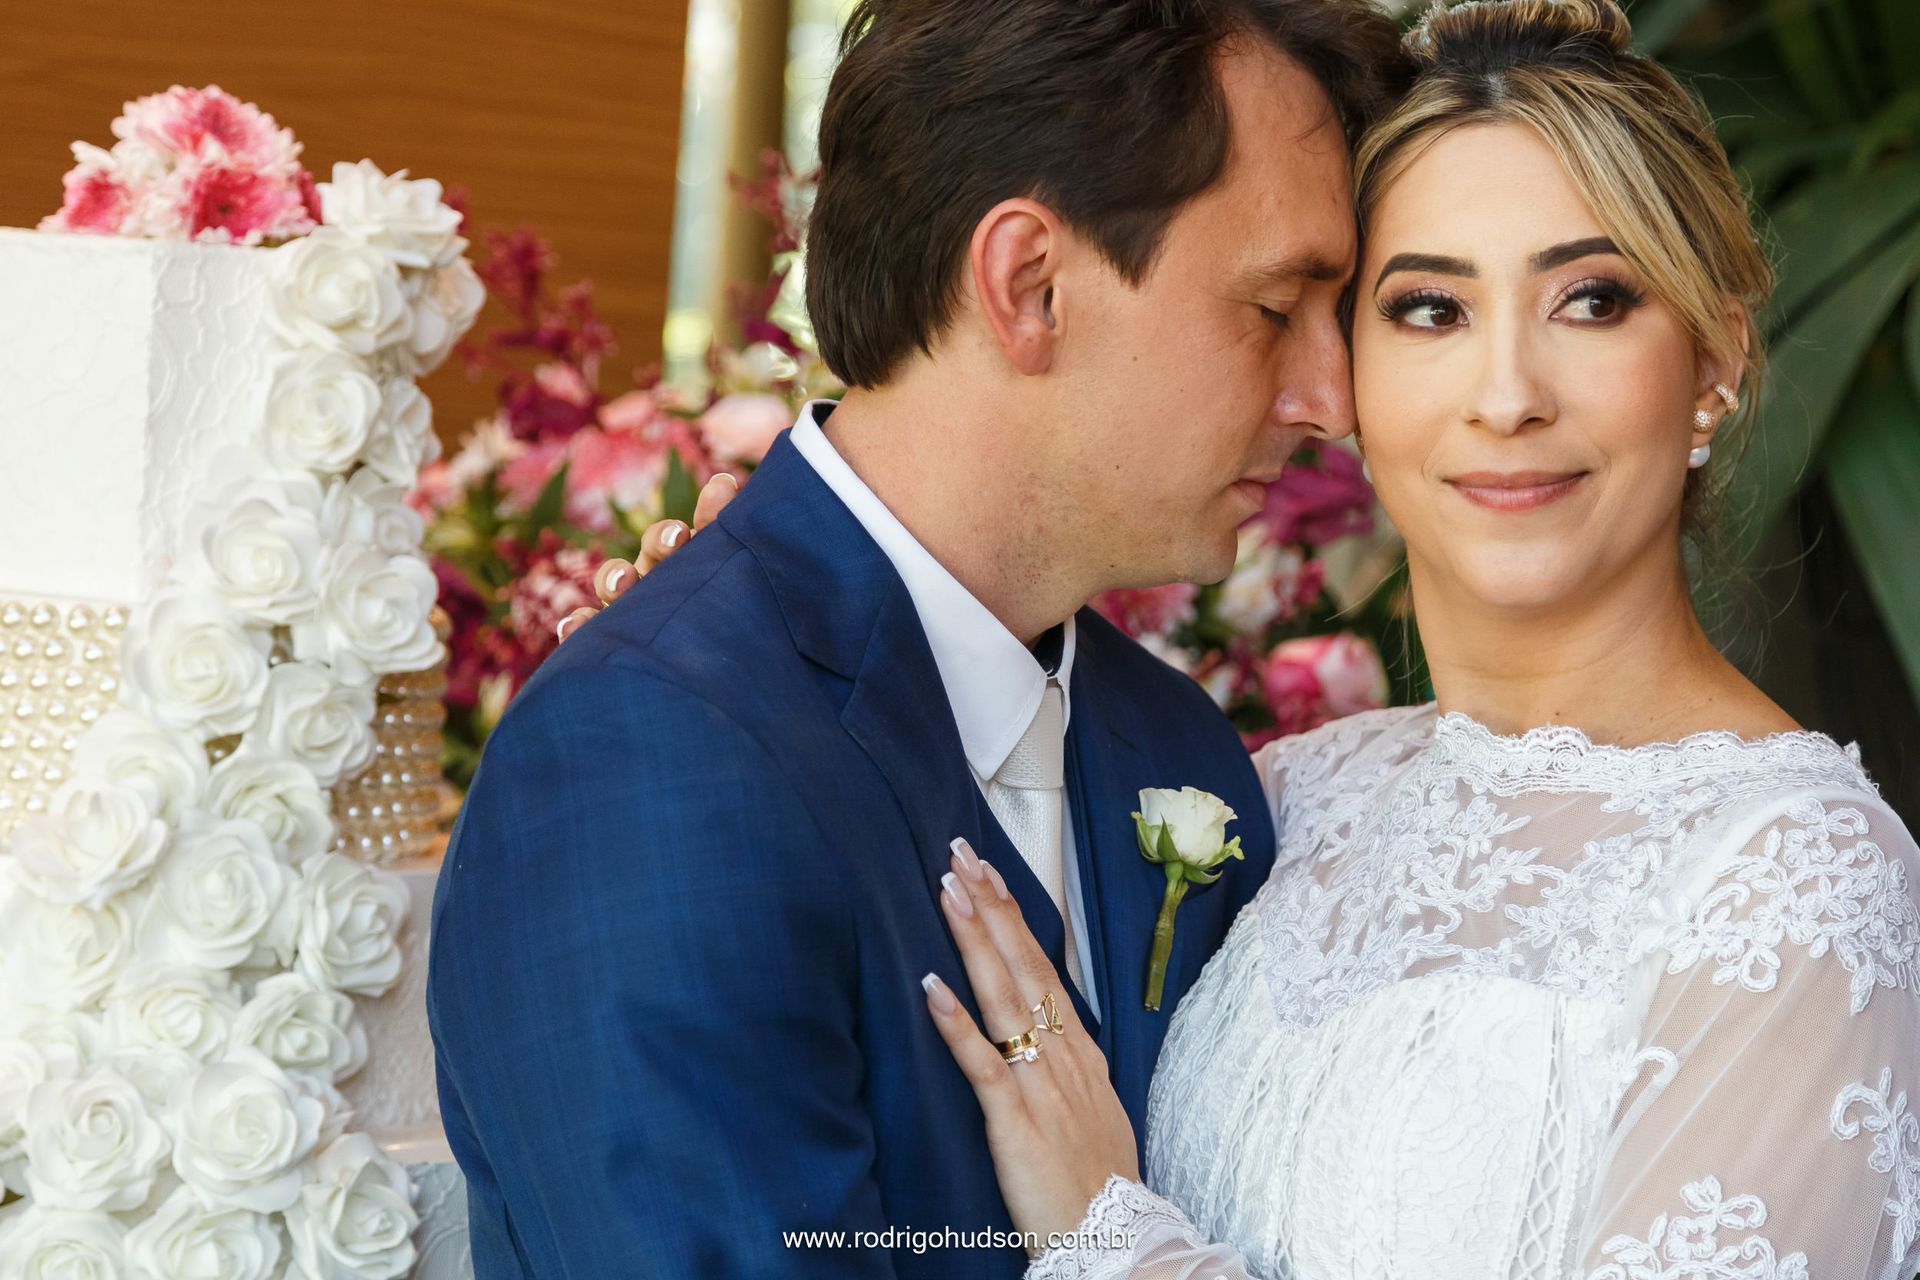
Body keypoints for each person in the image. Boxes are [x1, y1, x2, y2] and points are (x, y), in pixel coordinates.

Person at [599, 2, 1920, 1276]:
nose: (1508, 396)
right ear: (1344, 374)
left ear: (1720, 364)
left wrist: (1113, 1240)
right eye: (1430, 310)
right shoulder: (1277, 798)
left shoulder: (1798, 883)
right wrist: (746, 658)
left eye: (1591, 300)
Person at [426, 1, 1405, 1276]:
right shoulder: (649, 752)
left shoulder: (1184, 751)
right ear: (1030, 285)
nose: (1332, 399)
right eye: (1278, 306)